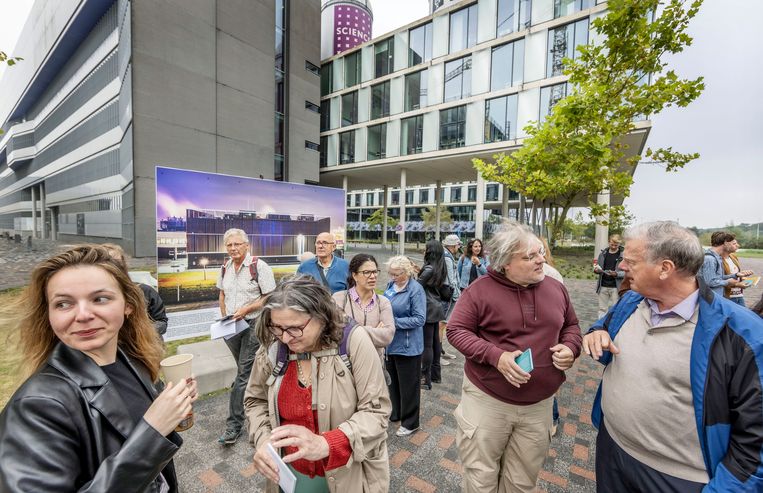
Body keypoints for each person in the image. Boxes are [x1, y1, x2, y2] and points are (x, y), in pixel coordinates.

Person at [583, 221, 763, 492]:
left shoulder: (744, 334)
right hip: (612, 450)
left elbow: (755, 441)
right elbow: (603, 327)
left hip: (679, 479)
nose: (621, 266)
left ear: (665, 269)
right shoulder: (631, 302)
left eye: (630, 261)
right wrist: (596, 333)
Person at [0, 245, 197, 492]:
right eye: (63, 303)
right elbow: (148, 434)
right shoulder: (36, 407)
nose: (82, 315)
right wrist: (153, 432)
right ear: (48, 314)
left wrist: (172, 408)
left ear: (128, 304)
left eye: (100, 299)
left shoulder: (133, 359)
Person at [447, 221, 582, 493]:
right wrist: (496, 356)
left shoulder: (555, 287)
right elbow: (456, 331)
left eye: (540, 252)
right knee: (481, 479)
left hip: (540, 405)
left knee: (522, 482)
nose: (540, 260)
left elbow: (572, 326)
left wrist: (571, 347)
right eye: (530, 256)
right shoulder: (479, 291)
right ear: (505, 262)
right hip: (488, 402)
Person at [245, 275, 391, 492]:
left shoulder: (354, 342)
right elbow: (255, 400)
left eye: (295, 328)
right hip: (289, 473)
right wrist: (263, 439)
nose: (285, 338)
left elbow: (376, 413)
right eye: (277, 327)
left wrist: (327, 443)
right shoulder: (275, 348)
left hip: (349, 475)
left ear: (321, 317)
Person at [217, 228, 276, 445]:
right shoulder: (225, 267)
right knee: (248, 372)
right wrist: (224, 314)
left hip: (254, 323)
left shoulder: (259, 267)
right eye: (229, 245)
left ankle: (234, 425)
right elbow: (222, 292)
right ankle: (265, 404)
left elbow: (269, 296)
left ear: (246, 245)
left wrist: (247, 309)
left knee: (242, 374)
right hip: (231, 326)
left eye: (237, 244)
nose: (233, 248)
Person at [383, 256, 426, 436]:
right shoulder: (390, 286)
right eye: (391, 273)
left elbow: (419, 319)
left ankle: (410, 422)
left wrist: (393, 322)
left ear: (406, 272)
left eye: (397, 274)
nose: (393, 277)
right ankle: (397, 412)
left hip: (408, 347)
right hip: (391, 344)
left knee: (409, 386)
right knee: (393, 383)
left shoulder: (415, 290)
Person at [331, 253, 395, 367]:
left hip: (374, 366)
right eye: (366, 272)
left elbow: (387, 336)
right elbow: (335, 333)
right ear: (354, 275)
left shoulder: (383, 302)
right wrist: (374, 331)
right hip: (345, 368)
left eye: (375, 272)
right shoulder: (339, 299)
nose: (373, 276)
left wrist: (350, 331)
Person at [103, 243, 169, 339]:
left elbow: (162, 322)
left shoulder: (144, 291)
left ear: (124, 265)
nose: (112, 267)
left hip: (147, 350)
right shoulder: (92, 298)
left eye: (116, 262)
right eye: (106, 262)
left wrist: (138, 332)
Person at [418, 240, 451, 390]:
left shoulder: (429, 268)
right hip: (436, 306)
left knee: (427, 345)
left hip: (428, 307)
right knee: (435, 342)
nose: (424, 252)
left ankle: (425, 378)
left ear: (430, 251)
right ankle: (436, 375)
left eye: (426, 249)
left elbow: (418, 286)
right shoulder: (439, 266)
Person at [699, 231, 753, 306]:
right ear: (725, 243)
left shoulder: (717, 257)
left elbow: (719, 277)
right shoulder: (710, 259)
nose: (736, 245)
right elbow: (710, 282)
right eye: (731, 242)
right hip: (712, 301)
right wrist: (728, 282)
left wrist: (736, 275)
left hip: (717, 299)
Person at [440, 234, 462, 363]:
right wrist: (456, 295)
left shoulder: (445, 255)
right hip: (448, 294)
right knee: (441, 324)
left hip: (446, 293)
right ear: (453, 245)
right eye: (457, 245)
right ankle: (439, 354)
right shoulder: (447, 257)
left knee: (442, 324)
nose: (458, 248)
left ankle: (441, 351)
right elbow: (450, 279)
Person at [594, 235, 625, 317]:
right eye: (612, 244)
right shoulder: (602, 254)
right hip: (603, 285)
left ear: (619, 244)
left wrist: (617, 274)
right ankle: (600, 326)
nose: (614, 246)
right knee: (602, 309)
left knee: (616, 309)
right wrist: (596, 270)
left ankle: (612, 326)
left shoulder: (623, 256)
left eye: (616, 245)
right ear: (609, 242)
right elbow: (598, 267)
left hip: (616, 287)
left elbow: (627, 272)